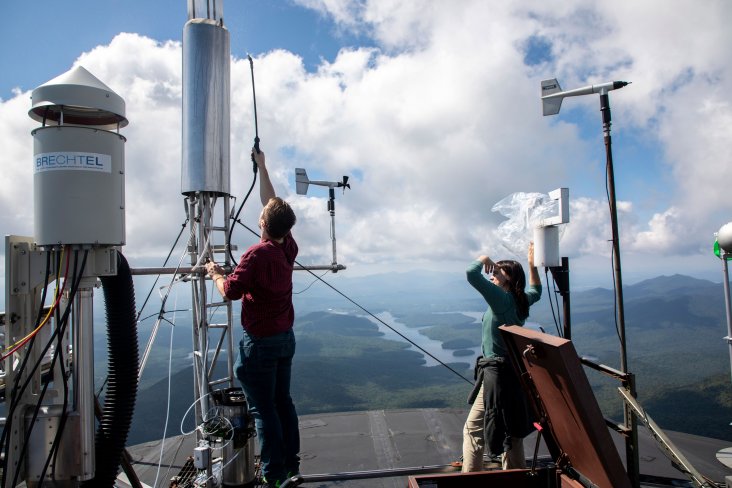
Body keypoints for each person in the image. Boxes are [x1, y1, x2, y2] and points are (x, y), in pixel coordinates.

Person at [206, 148, 299, 488]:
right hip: (285, 338)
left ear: (262, 224)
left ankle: (274, 475)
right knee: (282, 402)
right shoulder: (287, 248)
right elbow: (272, 206)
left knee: (263, 409)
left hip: (260, 343)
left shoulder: (256, 254)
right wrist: (263, 166)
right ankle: (290, 466)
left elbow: (230, 291)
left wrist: (215, 272)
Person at [461, 242, 541, 472]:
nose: (493, 273)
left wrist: (484, 258)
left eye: (498, 271)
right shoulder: (521, 301)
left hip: (495, 374)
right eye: (493, 269)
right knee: (511, 430)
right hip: (513, 373)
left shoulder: (501, 300)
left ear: (509, 280)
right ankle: (516, 476)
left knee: (473, 430)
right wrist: (532, 264)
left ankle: (471, 477)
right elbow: (537, 290)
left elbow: (471, 274)